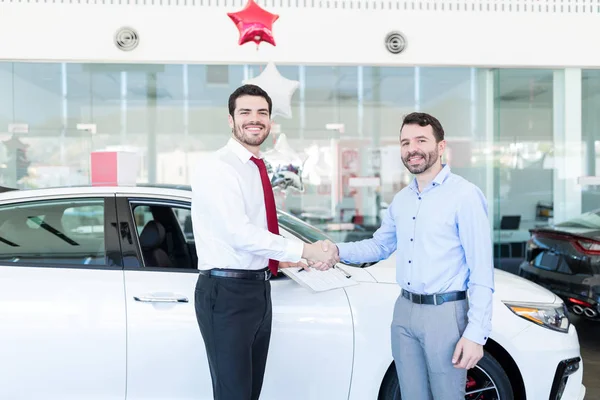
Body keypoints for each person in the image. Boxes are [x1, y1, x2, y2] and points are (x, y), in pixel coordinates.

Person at [320, 112, 495, 400]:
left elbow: (481, 271)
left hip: (445, 313)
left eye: (420, 140)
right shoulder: (402, 199)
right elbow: (379, 246)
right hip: (404, 311)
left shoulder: (465, 196)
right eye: (405, 142)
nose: (411, 148)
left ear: (440, 147)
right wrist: (336, 251)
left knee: (447, 396)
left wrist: (476, 333)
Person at [190, 84, 338, 400]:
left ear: (270, 121)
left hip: (258, 290)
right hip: (226, 294)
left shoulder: (255, 168)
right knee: (234, 394)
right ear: (231, 120)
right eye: (245, 112)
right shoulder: (219, 167)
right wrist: (305, 248)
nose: (254, 119)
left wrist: (285, 258)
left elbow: (260, 229)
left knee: (249, 393)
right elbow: (238, 232)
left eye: (262, 113)